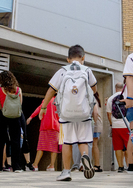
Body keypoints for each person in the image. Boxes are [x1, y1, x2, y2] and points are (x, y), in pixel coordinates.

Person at [39, 44, 97, 181]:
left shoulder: (62, 71)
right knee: (83, 141)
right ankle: (84, 157)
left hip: (66, 113)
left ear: (68, 59)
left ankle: (66, 171)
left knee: (67, 142)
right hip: (83, 113)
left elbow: (51, 90)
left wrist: (43, 107)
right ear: (83, 57)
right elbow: (94, 90)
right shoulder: (87, 70)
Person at [0, 71, 23, 173]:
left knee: (0, 142)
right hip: (15, 117)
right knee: (15, 141)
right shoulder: (19, 90)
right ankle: (16, 167)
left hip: (3, 116)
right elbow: (20, 104)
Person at [26, 96, 60, 171]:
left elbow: (39, 109)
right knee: (54, 148)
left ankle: (35, 165)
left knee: (41, 147)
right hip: (56, 127)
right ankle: (52, 166)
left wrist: (31, 117)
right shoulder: (58, 102)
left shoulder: (46, 100)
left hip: (45, 126)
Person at [107, 83, 129, 173]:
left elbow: (109, 113)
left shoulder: (110, 99)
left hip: (116, 125)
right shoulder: (126, 96)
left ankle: (120, 167)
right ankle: (130, 165)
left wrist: (112, 124)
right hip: (126, 124)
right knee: (128, 146)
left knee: (118, 147)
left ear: (116, 88)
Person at [92, 92, 103, 172]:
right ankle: (96, 164)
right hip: (98, 124)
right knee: (94, 145)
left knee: (94, 144)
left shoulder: (93, 99)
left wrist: (93, 123)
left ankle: (97, 164)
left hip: (95, 125)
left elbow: (95, 113)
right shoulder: (97, 100)